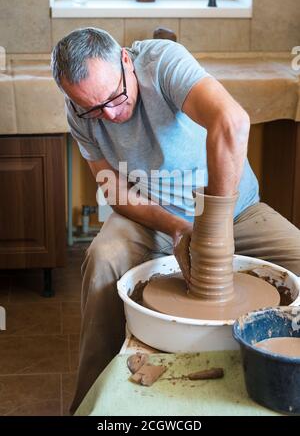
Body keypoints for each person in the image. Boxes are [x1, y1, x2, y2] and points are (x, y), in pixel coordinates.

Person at [51, 27, 300, 413]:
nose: (110, 115)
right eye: (93, 109)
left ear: (126, 62)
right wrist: (178, 227)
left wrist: (210, 228)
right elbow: (114, 190)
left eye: (115, 98)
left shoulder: (162, 62)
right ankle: (91, 404)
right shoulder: (79, 110)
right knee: (103, 259)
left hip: (235, 212)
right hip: (154, 219)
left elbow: (232, 122)